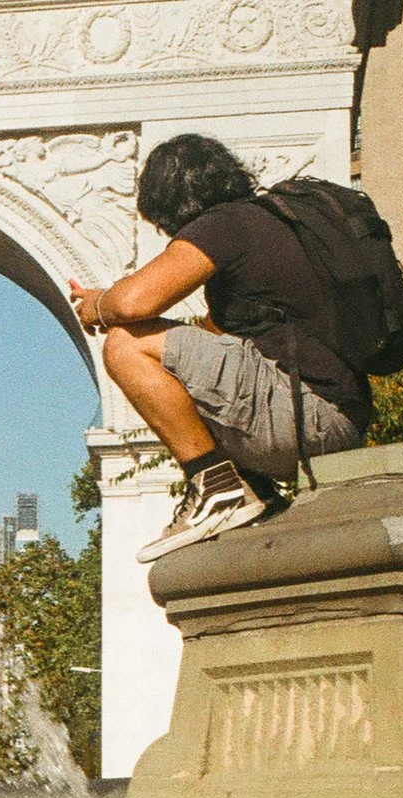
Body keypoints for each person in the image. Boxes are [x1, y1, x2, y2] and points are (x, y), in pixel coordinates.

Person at [68, 133, 372, 563]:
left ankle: (215, 487)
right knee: (179, 371)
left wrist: (99, 305)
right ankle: (253, 490)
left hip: (305, 417)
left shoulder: (226, 224)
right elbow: (213, 349)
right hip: (336, 421)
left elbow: (136, 303)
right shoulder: (274, 226)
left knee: (127, 343)